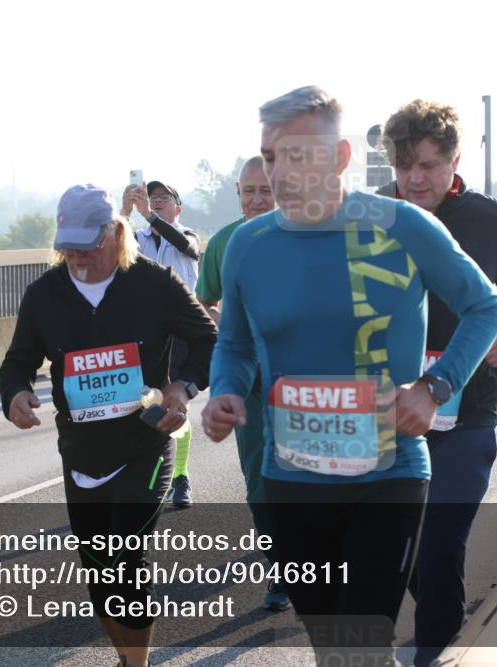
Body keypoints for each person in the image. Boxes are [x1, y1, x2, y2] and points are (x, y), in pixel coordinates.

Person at [202, 86, 497, 666]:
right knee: (333, 651)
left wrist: (435, 388)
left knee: (358, 646)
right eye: (271, 157)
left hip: (387, 475)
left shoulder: (403, 225)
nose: (281, 173)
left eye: (298, 157)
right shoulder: (248, 244)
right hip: (290, 479)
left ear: (341, 157)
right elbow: (236, 343)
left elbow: (486, 307)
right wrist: (224, 392)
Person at [0, 184, 217, 667]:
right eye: (67, 249)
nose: (77, 259)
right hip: (80, 452)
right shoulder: (44, 295)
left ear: (116, 233)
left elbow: (206, 339)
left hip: (144, 441)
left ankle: (137, 664)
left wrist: (181, 388)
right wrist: (14, 393)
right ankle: (125, 658)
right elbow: (16, 362)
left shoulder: (156, 283)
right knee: (99, 571)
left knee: (127, 560)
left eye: (87, 247)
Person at [379, 99, 497, 667]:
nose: (416, 178)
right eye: (405, 168)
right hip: (388, 414)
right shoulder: (374, 219)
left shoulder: (487, 219)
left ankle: (437, 651)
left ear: (454, 160)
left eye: (428, 164)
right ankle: (448, 626)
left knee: (441, 545)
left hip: (466, 414)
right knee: (403, 554)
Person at [194, 156, 291, 612]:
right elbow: (205, 299)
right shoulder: (225, 243)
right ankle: (281, 572)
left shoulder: (310, 236)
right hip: (249, 382)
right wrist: (231, 330)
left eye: (266, 191)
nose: (256, 200)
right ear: (237, 190)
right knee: (260, 481)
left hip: (305, 380)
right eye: (248, 190)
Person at [122, 179, 200, 507]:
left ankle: (180, 478)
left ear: (177, 207)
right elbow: (108, 244)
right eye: (151, 198)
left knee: (176, 405)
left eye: (163, 199)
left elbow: (186, 247)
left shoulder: (187, 234)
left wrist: (150, 217)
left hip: (182, 333)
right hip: (146, 335)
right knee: (146, 407)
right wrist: (126, 211)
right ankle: (152, 474)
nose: (156, 202)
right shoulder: (136, 239)